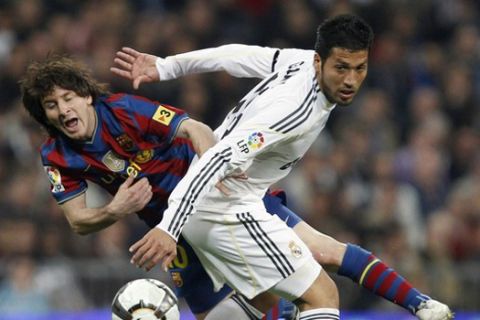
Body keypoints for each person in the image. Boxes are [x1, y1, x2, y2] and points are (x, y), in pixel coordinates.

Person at [123, 14, 453, 320]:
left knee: (326, 253)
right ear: (319, 61)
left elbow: (234, 56)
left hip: (245, 195)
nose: (351, 80)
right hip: (221, 207)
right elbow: (217, 158)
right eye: (341, 68)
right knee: (322, 296)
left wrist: (167, 66)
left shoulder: (299, 62)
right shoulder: (291, 113)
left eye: (360, 68)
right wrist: (169, 227)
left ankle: (421, 305)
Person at [19, 54, 313, 320]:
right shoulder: (56, 155)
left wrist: (215, 171)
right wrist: (115, 209)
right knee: (213, 313)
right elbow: (78, 221)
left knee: (309, 268)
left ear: (85, 96)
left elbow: (194, 128)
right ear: (43, 114)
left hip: (209, 201)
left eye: (68, 98)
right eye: (51, 105)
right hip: (166, 228)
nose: (63, 109)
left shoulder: (123, 109)